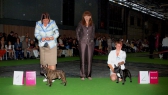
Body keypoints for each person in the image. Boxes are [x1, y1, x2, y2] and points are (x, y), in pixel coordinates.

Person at [34, 12, 59, 82]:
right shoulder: (38, 24)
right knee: (44, 62)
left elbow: (57, 33)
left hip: (52, 45)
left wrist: (51, 38)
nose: (46, 21)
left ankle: (52, 77)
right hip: (42, 45)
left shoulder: (53, 23)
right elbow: (36, 34)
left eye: (47, 20)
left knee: (52, 62)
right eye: (44, 20)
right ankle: (47, 76)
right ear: (42, 20)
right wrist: (40, 38)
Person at [76, 11, 95, 80]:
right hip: (82, 43)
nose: (86, 17)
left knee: (90, 59)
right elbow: (77, 32)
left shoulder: (92, 24)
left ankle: (89, 75)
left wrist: (92, 40)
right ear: (83, 17)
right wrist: (79, 40)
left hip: (90, 43)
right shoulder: (80, 23)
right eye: (85, 16)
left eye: (88, 16)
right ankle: (82, 75)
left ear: (90, 17)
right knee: (83, 59)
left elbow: (93, 33)